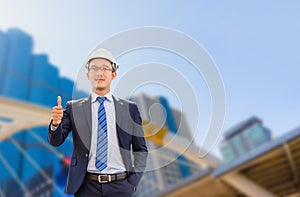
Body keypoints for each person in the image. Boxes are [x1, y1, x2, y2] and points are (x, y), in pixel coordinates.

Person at [48, 48, 148, 197]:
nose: (99, 73)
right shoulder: (73, 107)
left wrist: (132, 183)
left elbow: (141, 149)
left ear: (114, 74)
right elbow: (56, 141)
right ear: (88, 75)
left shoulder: (130, 109)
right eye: (94, 68)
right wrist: (55, 124)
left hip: (120, 186)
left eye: (105, 68)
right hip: (86, 187)